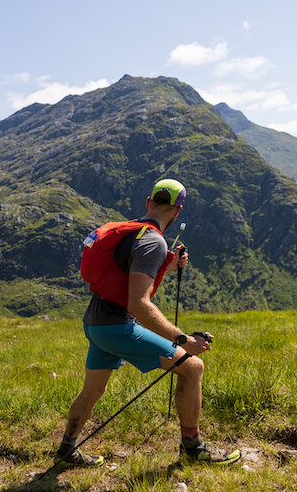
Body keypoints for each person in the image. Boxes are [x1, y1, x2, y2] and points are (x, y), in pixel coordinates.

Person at [57, 178, 241, 467]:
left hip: (95, 322)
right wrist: (183, 340)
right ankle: (193, 448)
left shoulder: (133, 230)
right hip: (117, 326)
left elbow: (128, 278)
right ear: (177, 211)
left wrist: (167, 265)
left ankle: (66, 449)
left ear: (148, 202)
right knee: (193, 367)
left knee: (93, 389)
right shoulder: (154, 241)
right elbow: (139, 304)